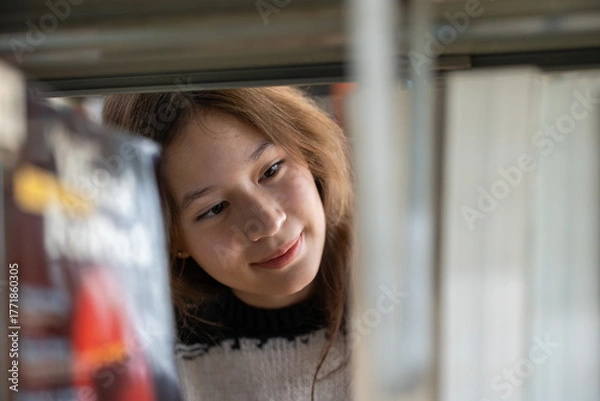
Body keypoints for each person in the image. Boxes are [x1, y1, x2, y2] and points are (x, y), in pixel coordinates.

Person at [103, 87, 354, 401]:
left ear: (307, 151)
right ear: (170, 239)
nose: (267, 223)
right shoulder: (147, 355)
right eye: (215, 209)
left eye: (271, 170)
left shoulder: (411, 290)